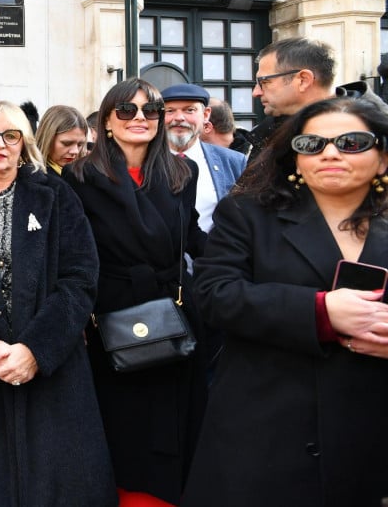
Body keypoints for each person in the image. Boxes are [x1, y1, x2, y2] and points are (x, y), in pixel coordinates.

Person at [183, 97, 388, 506]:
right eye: (311, 144)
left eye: (351, 142)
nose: (330, 152)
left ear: (382, 158)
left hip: (368, 434)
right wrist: (319, 312)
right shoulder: (247, 214)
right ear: (295, 159)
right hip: (266, 431)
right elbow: (212, 293)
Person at [0, 99, 115, 507]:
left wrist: (35, 350)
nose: (0, 144)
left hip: (52, 370)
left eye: (11, 135)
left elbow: (80, 277)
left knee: (59, 485)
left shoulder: (56, 197)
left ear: (24, 143)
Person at [64, 78, 208, 506]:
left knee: (176, 422)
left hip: (174, 312)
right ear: (107, 121)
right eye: (127, 110)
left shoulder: (184, 172)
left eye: (151, 110)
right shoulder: (79, 177)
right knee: (124, 427)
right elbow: (73, 254)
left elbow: (193, 236)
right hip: (111, 319)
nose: (139, 118)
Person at [161, 84, 246, 232]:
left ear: (206, 115)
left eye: (190, 110)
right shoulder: (142, 160)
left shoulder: (234, 162)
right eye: (170, 111)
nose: (179, 118)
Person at [245, 37, 336, 160]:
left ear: (303, 80)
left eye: (265, 82)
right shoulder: (266, 134)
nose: (256, 92)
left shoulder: (357, 133)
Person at [33, 105, 90, 175]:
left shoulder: (87, 174)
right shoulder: (32, 180)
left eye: (80, 144)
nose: (75, 151)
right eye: (67, 143)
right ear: (47, 139)